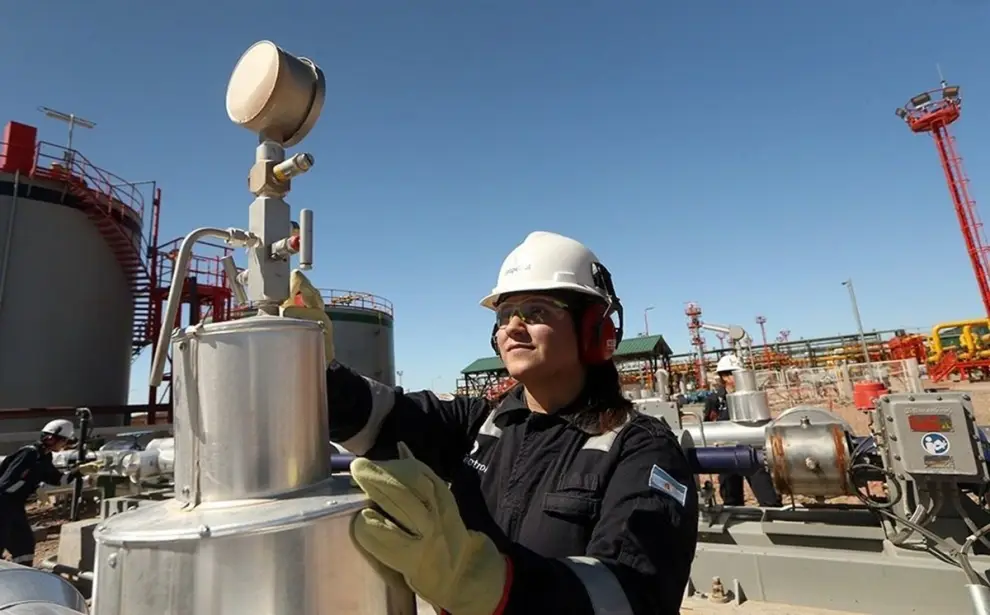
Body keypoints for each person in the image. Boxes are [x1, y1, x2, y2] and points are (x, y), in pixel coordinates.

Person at [283, 231, 699, 615]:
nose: (513, 327)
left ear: (593, 329)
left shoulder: (641, 449)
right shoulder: (484, 423)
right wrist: (316, 368)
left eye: (536, 310)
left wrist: (485, 583)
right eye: (505, 315)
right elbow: (378, 416)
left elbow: (633, 594)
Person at [0, 419, 100, 565]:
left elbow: (58, 480)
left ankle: (22, 575)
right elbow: (6, 481)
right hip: (4, 503)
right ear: (51, 438)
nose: (65, 445)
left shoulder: (44, 457)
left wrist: (78, 471)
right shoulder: (29, 454)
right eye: (64, 441)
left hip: (14, 505)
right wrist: (33, 487)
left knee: (24, 544)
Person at [704, 355, 781, 507]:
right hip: (726, 453)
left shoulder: (752, 395)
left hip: (752, 452)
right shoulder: (715, 399)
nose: (737, 378)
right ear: (724, 376)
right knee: (731, 500)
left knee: (769, 499)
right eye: (733, 374)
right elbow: (709, 424)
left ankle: (774, 522)